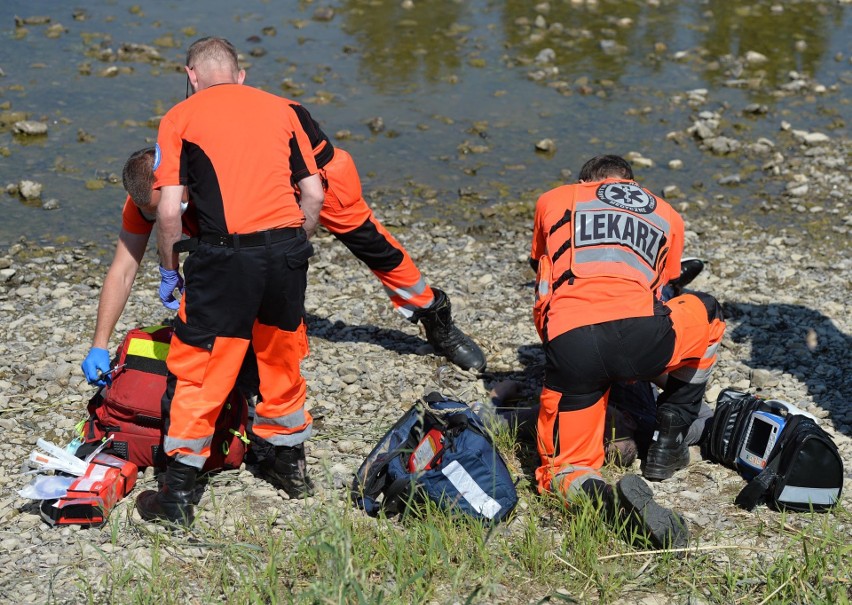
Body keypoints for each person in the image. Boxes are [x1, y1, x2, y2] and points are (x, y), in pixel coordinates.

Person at [132, 36, 327, 526]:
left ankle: (176, 493)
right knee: (281, 354)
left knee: (200, 366)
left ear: (190, 76)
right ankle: (290, 468)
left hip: (224, 257)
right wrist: (292, 244)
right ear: (240, 75)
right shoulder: (282, 108)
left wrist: (168, 270)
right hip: (285, 252)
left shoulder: (182, 116)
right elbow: (315, 195)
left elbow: (171, 211)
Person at [529, 155, 726, 548]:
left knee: (563, 468)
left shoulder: (554, 199)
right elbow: (660, 291)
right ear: (634, 185)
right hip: (643, 336)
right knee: (709, 313)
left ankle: (602, 500)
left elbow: (543, 282)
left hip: (573, 341)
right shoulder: (667, 213)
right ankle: (670, 436)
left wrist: (558, 354)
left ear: (584, 181)